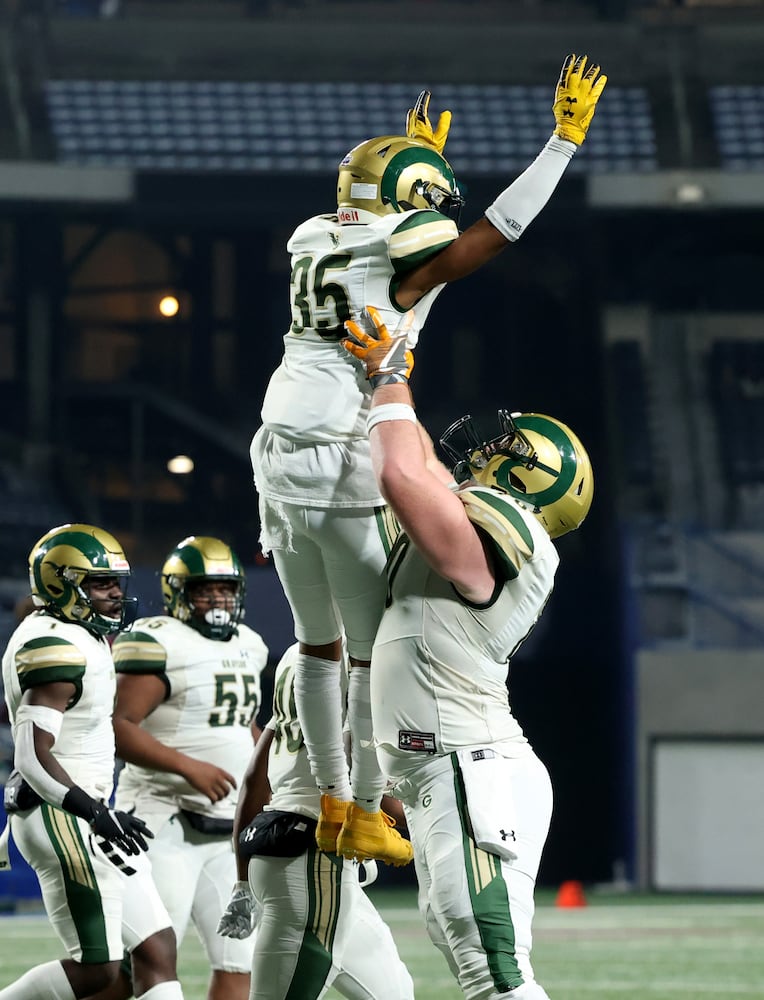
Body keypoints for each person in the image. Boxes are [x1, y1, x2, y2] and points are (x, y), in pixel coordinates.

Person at [249, 53, 607, 865]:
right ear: (412, 207)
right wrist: (560, 144)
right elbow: (496, 232)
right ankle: (366, 807)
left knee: (313, 643)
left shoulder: (313, 234)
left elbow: (380, 221)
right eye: (437, 196)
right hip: (342, 452)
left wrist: (414, 163)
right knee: (370, 645)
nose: (448, 208)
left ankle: (334, 795)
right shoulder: (409, 251)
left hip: (274, 449)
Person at [341, 307, 594, 999]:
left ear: (529, 476)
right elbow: (417, 458)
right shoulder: (484, 522)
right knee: (479, 966)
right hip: (443, 776)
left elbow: (401, 475)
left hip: (471, 770)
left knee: (496, 976)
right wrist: (384, 377)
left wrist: (389, 374)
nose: (482, 451)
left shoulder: (514, 531)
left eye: (504, 448)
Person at [0, 523, 184, 1000]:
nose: (114, 594)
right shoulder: (53, 646)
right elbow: (32, 754)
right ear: (61, 583)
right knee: (97, 969)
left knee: (157, 950)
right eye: (100, 583)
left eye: (115, 582)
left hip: (87, 810)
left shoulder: (76, 633)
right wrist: (95, 812)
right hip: (66, 813)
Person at [100, 536, 269, 1000]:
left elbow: (242, 724)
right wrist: (188, 767)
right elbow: (118, 725)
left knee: (241, 957)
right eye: (205, 589)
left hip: (227, 829)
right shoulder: (156, 640)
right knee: (147, 959)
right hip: (161, 820)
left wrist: (267, 778)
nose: (218, 599)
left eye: (226, 589)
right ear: (179, 592)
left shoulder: (250, 645)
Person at [216, 642, 415, 1000]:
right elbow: (361, 758)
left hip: (290, 852)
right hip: (313, 863)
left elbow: (255, 776)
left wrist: (243, 880)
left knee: (394, 993)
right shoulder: (364, 650)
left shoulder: (296, 654)